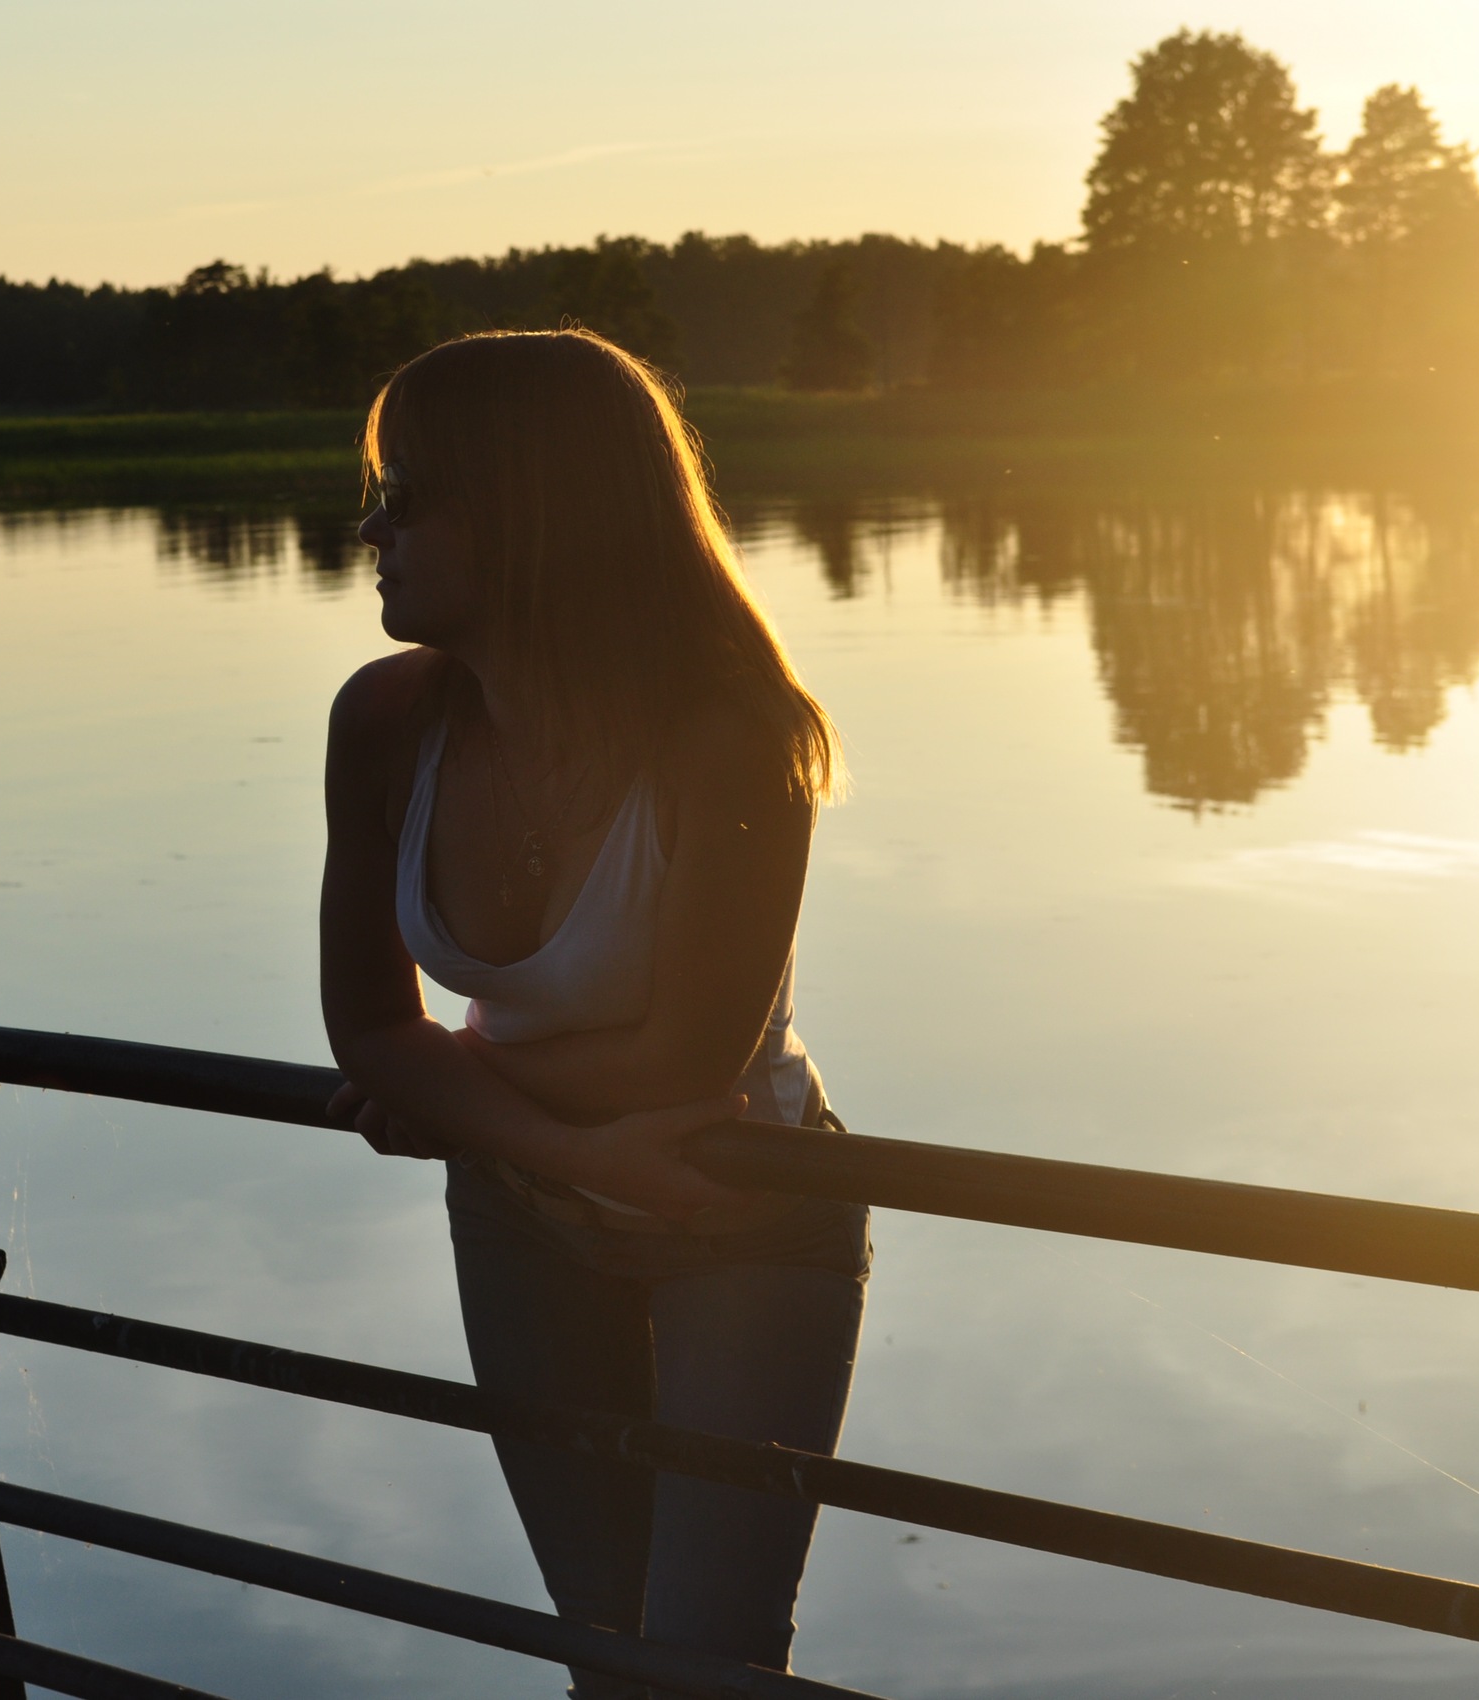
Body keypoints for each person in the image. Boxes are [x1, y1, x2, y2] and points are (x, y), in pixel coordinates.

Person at [318, 328, 869, 1698]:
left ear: (531, 512)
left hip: (741, 1209)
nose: (370, 530)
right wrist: (544, 1144)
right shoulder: (383, 721)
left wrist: (449, 1089)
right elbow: (367, 1033)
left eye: (406, 495)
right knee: (603, 1655)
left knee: (707, 1663)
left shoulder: (731, 736)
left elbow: (682, 1064)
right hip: (520, 1214)